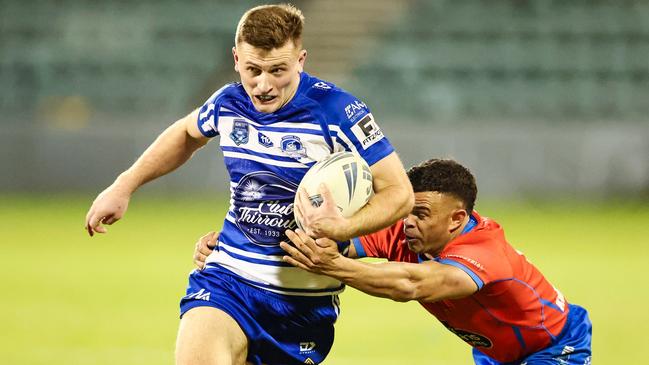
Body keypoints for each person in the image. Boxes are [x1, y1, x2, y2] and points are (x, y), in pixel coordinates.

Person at [84, 4, 413, 365]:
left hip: (302, 303)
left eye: (278, 71)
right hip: (228, 281)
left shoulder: (338, 111)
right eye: (253, 70)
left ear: (301, 60)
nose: (264, 84)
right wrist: (123, 185)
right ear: (236, 58)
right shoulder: (228, 103)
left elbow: (399, 193)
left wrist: (343, 227)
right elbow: (185, 133)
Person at [194, 158, 592, 364]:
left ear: (457, 219)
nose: (406, 222)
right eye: (405, 210)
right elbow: (323, 243)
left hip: (555, 347)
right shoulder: (408, 230)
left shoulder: (484, 252)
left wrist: (333, 268)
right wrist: (230, 250)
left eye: (420, 212)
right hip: (496, 352)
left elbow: (411, 284)